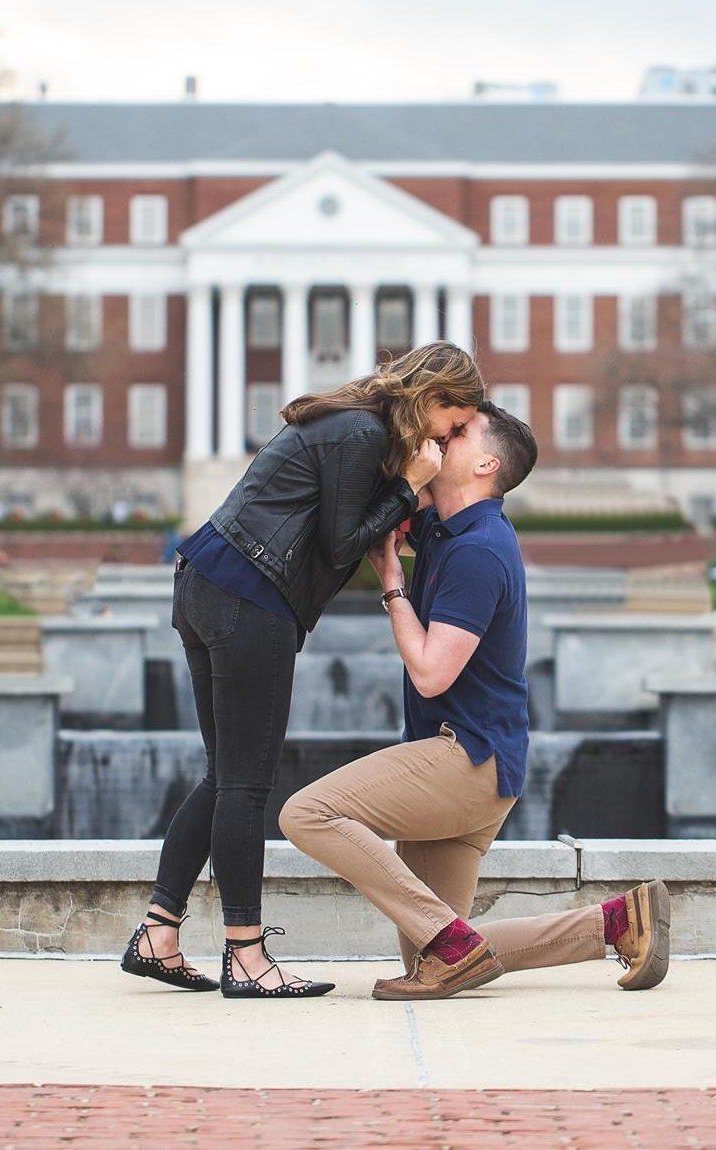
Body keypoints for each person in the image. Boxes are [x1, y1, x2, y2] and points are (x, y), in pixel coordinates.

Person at [122, 341, 484, 999]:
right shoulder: (360, 433)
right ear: (433, 397)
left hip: (208, 582)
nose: (451, 437)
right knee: (246, 785)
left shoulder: (355, 423)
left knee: (222, 774)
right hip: (249, 596)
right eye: (453, 421)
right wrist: (408, 487)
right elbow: (339, 544)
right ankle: (247, 955)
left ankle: (158, 932)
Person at [280, 403, 671, 1000]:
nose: (443, 434)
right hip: (485, 767)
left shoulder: (479, 551)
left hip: (465, 760)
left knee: (306, 814)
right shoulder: (445, 528)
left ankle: (452, 942)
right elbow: (370, 498)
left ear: (487, 464)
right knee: (432, 954)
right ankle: (616, 923)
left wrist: (392, 587)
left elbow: (433, 673)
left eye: (459, 433)